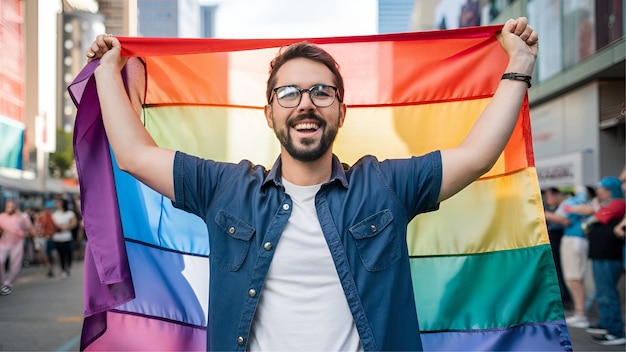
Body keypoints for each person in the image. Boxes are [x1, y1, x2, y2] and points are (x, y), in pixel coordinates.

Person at [86, 18, 538, 351]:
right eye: (289, 93)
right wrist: (107, 72)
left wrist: (518, 65)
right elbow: (135, 155)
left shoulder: (385, 186)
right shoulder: (226, 188)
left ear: (342, 110)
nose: (306, 104)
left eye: (322, 92)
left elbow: (477, 156)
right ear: (270, 113)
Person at [580, 176, 625, 346]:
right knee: (602, 292)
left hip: (609, 255)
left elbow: (596, 219)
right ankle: (606, 324)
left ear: (610, 190)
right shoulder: (607, 204)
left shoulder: (618, 203)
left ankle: (615, 331)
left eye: (602, 188)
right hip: (601, 253)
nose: (598, 191)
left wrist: (591, 219)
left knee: (607, 293)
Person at [545, 186, 596, 328]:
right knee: (574, 280)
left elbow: (565, 220)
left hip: (573, 242)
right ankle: (580, 314)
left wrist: (545, 213)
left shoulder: (573, 202)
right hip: (574, 241)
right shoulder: (577, 203)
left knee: (574, 280)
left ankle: (581, 315)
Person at [0, 199, 33, 295]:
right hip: (3, 243)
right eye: (7, 206)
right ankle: (3, 280)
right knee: (0, 261)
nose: (9, 208)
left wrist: (21, 233)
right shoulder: (1, 217)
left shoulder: (22, 217)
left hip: (17, 243)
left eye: (11, 206)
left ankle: (7, 282)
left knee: (15, 265)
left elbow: (29, 229)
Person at [51, 198, 77, 278]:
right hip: (58, 237)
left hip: (67, 237)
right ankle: (63, 270)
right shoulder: (54, 214)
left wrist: (65, 228)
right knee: (60, 254)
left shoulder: (70, 213)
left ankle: (68, 266)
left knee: (68, 253)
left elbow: (74, 223)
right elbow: (52, 225)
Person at [31, 201, 58, 277]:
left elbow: (52, 227)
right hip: (41, 237)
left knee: (47, 253)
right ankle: (49, 267)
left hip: (45, 237)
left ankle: (50, 268)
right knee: (44, 254)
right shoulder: (40, 217)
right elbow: (35, 228)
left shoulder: (48, 216)